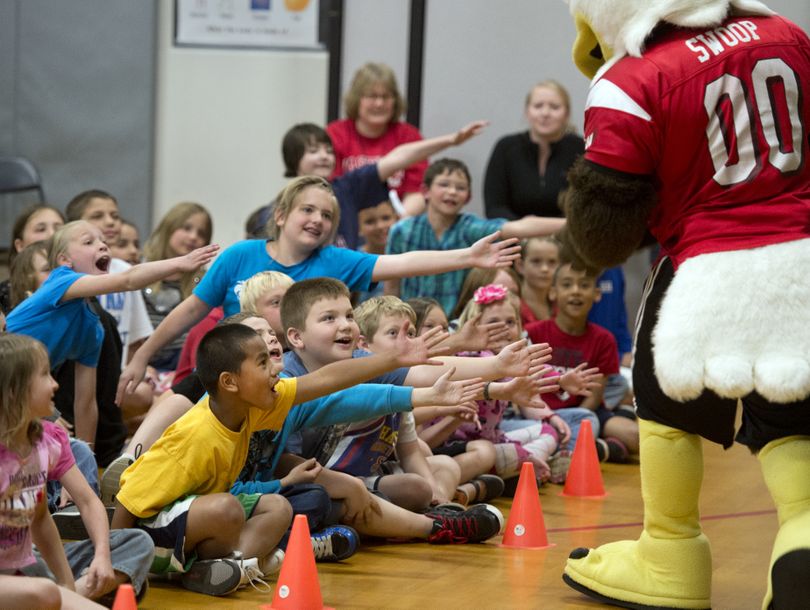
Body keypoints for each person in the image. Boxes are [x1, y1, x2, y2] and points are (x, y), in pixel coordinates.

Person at [559, 3, 810, 608]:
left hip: (704, 269)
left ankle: (670, 558)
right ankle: (802, 536)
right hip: (803, 258)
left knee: (664, 406)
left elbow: (602, 236)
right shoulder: (790, 36)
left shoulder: (629, 81)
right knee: (793, 415)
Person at [110, 317, 465, 595]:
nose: (277, 370)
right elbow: (128, 499)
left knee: (277, 506)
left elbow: (327, 380)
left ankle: (232, 569)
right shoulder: (196, 435)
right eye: (263, 363)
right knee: (228, 508)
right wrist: (115, 566)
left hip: (198, 523)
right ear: (230, 382)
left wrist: (393, 359)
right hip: (152, 533)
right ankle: (255, 563)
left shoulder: (254, 405)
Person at [117, 174, 522, 403]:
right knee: (184, 395)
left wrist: (468, 256)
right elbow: (190, 311)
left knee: (390, 370)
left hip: (301, 379)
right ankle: (130, 463)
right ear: (280, 215)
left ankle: (492, 372)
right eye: (307, 210)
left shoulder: (334, 260)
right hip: (232, 374)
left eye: (327, 215)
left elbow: (402, 262)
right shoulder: (240, 254)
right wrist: (143, 355)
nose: (317, 220)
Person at [6, 221, 217, 449]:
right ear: (64, 261)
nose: (102, 246)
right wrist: (180, 263)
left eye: (103, 242)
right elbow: (128, 280)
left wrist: (86, 455)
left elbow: (85, 403)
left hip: (18, 385)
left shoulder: (93, 328)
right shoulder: (60, 280)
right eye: (89, 242)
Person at [0, 334, 153, 606]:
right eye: (45, 375)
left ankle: (64, 595)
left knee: (137, 543)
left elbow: (41, 520)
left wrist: (68, 584)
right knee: (44, 593)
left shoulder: (45, 443)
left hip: (24, 566)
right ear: (15, 390)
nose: (55, 384)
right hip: (16, 577)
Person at [248, 119, 486, 249]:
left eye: (329, 150)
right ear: (294, 160)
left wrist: (452, 140)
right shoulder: (277, 208)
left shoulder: (347, 187)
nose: (324, 156)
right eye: (313, 151)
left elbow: (397, 158)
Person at [385, 158, 566, 315]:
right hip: (412, 324)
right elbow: (391, 286)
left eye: (460, 187)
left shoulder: (471, 228)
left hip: (458, 325)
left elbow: (518, 227)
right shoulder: (402, 231)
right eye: (444, 184)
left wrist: (571, 224)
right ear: (425, 191)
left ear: (468, 197)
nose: (452, 192)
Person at [525, 262, 636, 460]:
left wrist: (575, 421)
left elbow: (594, 396)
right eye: (567, 285)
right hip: (542, 413)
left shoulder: (604, 339)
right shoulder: (533, 332)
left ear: (597, 294)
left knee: (635, 437)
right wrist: (550, 418)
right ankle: (598, 448)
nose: (576, 291)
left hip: (585, 413)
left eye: (584, 285)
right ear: (553, 293)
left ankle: (591, 442)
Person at [65, 190, 153, 367]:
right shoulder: (67, 272)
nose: (110, 221)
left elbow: (135, 340)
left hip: (114, 374)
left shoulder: (126, 270)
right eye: (98, 216)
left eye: (115, 216)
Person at [327, 62, 427, 216]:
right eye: (372, 96)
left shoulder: (409, 136)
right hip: (345, 220)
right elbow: (330, 189)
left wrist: (396, 226)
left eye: (386, 97)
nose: (379, 103)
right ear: (356, 99)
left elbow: (417, 192)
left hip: (396, 223)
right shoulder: (335, 134)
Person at [483, 80, 584, 220]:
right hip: (514, 238)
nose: (545, 113)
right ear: (527, 112)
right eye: (538, 106)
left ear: (567, 113)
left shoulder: (580, 148)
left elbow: (587, 208)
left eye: (554, 107)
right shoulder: (506, 148)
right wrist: (526, 239)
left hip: (568, 237)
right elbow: (495, 208)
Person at [141, 202, 213, 372]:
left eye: (201, 233)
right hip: (140, 355)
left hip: (182, 359)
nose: (193, 237)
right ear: (168, 227)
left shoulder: (205, 281)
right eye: (186, 228)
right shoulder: (141, 270)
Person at [1, 204, 65, 314]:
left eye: (59, 229)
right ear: (20, 245)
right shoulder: (3, 295)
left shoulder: (83, 282)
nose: (52, 234)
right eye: (41, 229)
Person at [516, 236, 561, 325]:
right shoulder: (511, 306)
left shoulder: (563, 307)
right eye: (536, 261)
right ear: (520, 265)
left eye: (552, 262)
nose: (545, 269)